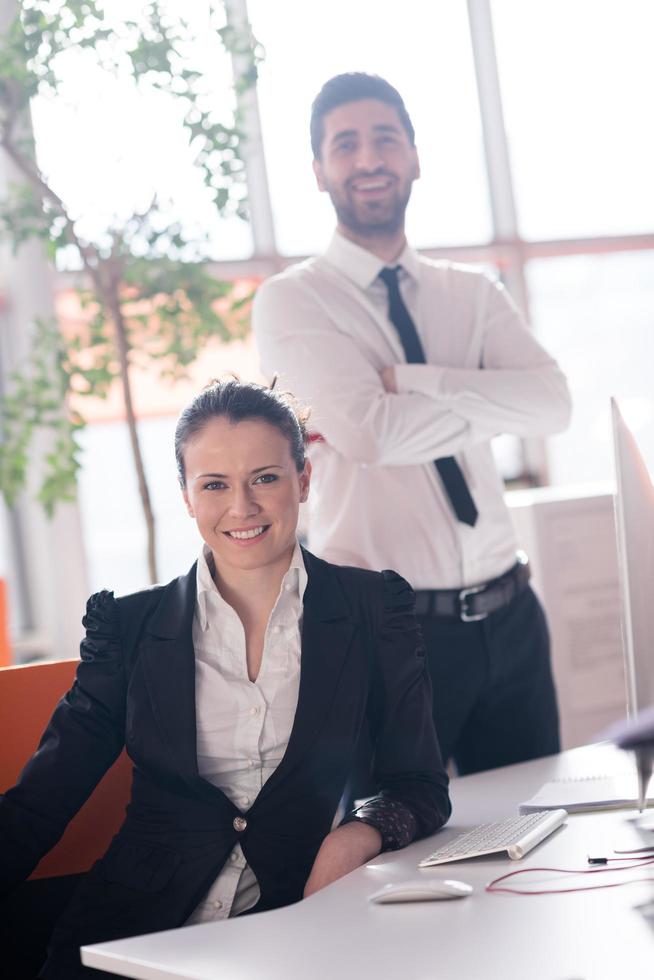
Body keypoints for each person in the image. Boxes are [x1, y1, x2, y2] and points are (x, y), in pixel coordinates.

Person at [0, 378, 450, 979]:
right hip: (126, 940)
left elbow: (418, 783)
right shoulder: (129, 628)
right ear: (187, 496)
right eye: (214, 484)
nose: (241, 507)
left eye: (265, 477)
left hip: (295, 931)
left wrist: (354, 836)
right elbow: (42, 800)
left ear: (304, 480)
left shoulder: (373, 610)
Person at [252, 72, 573, 788]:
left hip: (513, 614)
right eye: (346, 144)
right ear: (319, 170)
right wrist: (490, 399)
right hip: (388, 632)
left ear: (415, 156)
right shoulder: (292, 302)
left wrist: (419, 382)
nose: (369, 158)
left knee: (541, 835)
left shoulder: (473, 293)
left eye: (385, 138)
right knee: (390, 855)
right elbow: (370, 435)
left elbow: (552, 405)